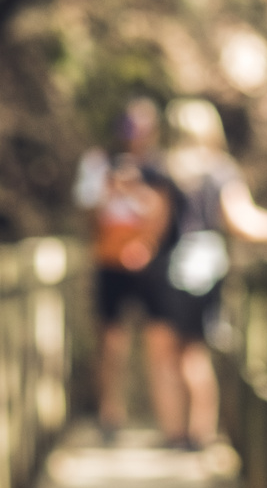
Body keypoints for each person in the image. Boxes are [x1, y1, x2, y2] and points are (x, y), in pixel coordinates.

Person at [161, 98, 267, 447]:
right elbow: (241, 220)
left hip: (170, 266)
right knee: (196, 350)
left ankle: (176, 431)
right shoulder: (219, 170)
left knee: (174, 351)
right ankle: (201, 432)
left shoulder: (165, 170)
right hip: (204, 265)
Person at [75, 99, 188, 443]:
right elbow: (88, 213)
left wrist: (147, 245)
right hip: (109, 262)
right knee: (111, 342)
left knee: (160, 342)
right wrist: (109, 191)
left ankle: (171, 425)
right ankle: (110, 417)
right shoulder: (99, 164)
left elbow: (167, 214)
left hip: (150, 265)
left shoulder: (160, 168)